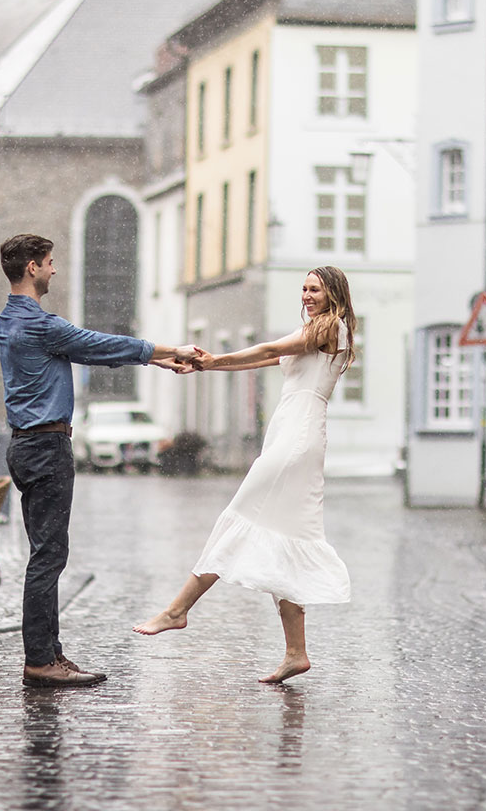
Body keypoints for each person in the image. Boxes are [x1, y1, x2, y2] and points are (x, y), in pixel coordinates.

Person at [0, 234, 199, 690]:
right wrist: (170, 352)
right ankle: (40, 660)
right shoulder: (41, 325)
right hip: (46, 448)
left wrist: (159, 363)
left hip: (24, 445)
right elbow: (98, 344)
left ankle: (49, 652)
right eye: (49, 262)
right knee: (48, 557)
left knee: (45, 555)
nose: (54, 269)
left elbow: (92, 350)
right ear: (31, 268)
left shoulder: (5, 322)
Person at [134, 266, 354, 684]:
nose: (307, 296)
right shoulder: (312, 332)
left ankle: (178, 610)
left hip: (298, 437)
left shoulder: (330, 327)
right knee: (284, 535)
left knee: (241, 515)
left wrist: (215, 358)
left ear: (333, 295)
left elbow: (269, 346)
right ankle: (296, 653)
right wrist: (209, 366)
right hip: (291, 432)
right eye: (304, 288)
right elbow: (266, 359)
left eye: (316, 290)